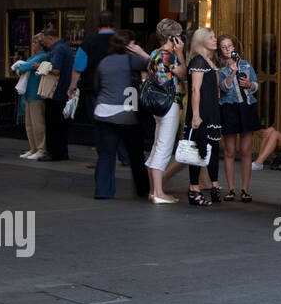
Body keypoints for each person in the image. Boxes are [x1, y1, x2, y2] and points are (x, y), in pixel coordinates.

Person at [91, 30, 152, 199]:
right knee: (136, 154)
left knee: (106, 154)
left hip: (102, 112)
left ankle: (103, 191)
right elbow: (156, 67)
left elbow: (96, 86)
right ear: (130, 45)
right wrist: (141, 53)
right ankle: (143, 190)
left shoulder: (104, 62)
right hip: (127, 113)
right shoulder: (131, 60)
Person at [145, 19, 188, 204]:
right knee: (164, 146)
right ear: (173, 37)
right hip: (170, 102)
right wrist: (180, 53)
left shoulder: (154, 53)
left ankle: (153, 189)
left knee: (157, 145)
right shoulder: (168, 56)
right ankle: (158, 193)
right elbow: (183, 75)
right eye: (179, 35)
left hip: (158, 104)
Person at [217, 34, 260, 202]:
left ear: (235, 47)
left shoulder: (246, 65)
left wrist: (249, 84)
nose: (228, 49)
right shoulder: (220, 69)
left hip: (246, 106)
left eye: (230, 46)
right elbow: (224, 88)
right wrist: (231, 73)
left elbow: (255, 85)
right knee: (229, 151)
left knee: (246, 150)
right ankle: (231, 188)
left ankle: (245, 189)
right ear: (220, 51)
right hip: (229, 108)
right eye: (224, 47)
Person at [185, 28, 224, 206]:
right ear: (201, 41)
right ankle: (194, 189)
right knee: (197, 149)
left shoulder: (209, 60)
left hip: (211, 109)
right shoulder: (198, 61)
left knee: (213, 147)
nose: (215, 40)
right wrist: (195, 115)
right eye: (211, 37)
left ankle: (214, 186)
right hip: (201, 110)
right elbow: (195, 90)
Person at [68, 10, 116, 122]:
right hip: (117, 90)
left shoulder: (87, 43)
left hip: (93, 90)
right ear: (113, 23)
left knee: (97, 124)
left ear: (98, 24)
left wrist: (72, 87)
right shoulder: (121, 42)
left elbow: (78, 69)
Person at [39, 26, 74, 161]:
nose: (45, 44)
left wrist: (40, 67)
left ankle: (54, 152)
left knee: (53, 123)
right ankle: (62, 152)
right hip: (64, 90)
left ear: (51, 38)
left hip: (55, 91)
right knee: (62, 124)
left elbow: (56, 70)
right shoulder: (65, 47)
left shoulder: (57, 49)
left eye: (45, 42)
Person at [11, 34, 50, 159]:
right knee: (29, 123)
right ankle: (33, 148)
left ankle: (41, 148)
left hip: (36, 93)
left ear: (40, 44)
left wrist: (21, 66)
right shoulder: (33, 56)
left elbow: (24, 66)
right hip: (28, 93)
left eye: (34, 42)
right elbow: (22, 67)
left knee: (38, 122)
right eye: (32, 42)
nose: (32, 45)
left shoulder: (43, 55)